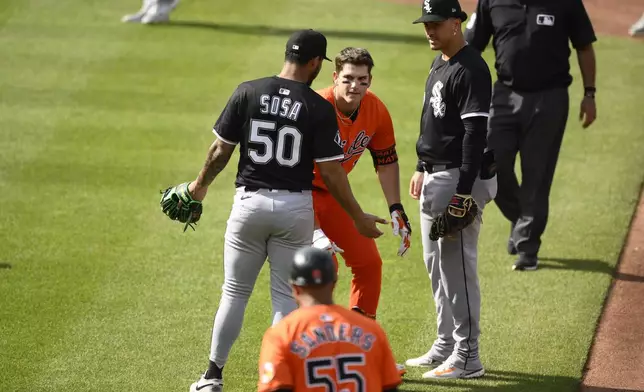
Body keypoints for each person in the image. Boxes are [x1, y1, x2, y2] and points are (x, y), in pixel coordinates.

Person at [185, 29, 387, 392]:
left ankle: (212, 376)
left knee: (234, 292)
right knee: (283, 297)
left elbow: (219, 151)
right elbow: (330, 172)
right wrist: (357, 216)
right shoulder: (318, 106)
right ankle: (283, 379)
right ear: (314, 63)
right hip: (295, 207)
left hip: (249, 203)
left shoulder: (247, 90)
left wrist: (197, 189)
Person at [464, 0, 598, 270]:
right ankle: (521, 218)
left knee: (537, 175)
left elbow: (584, 46)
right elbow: (471, 46)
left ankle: (527, 247)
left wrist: (589, 94)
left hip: (550, 99)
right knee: (488, 163)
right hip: (503, 94)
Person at [405, 0, 497, 379]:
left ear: (457, 23)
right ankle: (445, 344)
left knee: (457, 268)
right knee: (436, 267)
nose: (429, 29)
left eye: (437, 23)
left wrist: (462, 193)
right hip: (436, 176)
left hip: (460, 178)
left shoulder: (472, 68)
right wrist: (421, 166)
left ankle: (468, 356)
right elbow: (435, 122)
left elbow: (475, 135)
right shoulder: (441, 61)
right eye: (426, 23)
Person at [311, 47, 412, 321]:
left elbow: (386, 159)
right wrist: (318, 227)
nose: (355, 86)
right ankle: (318, 347)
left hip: (335, 195)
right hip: (299, 194)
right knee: (322, 266)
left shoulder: (376, 109)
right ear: (335, 77)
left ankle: (362, 340)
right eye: (348, 78)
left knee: (368, 263)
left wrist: (396, 207)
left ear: (370, 81)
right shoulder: (316, 106)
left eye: (362, 80)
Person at [257, 247, 402, 392]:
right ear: (334, 283)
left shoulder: (281, 334)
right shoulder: (372, 331)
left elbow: (275, 389)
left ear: (294, 287)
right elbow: (390, 388)